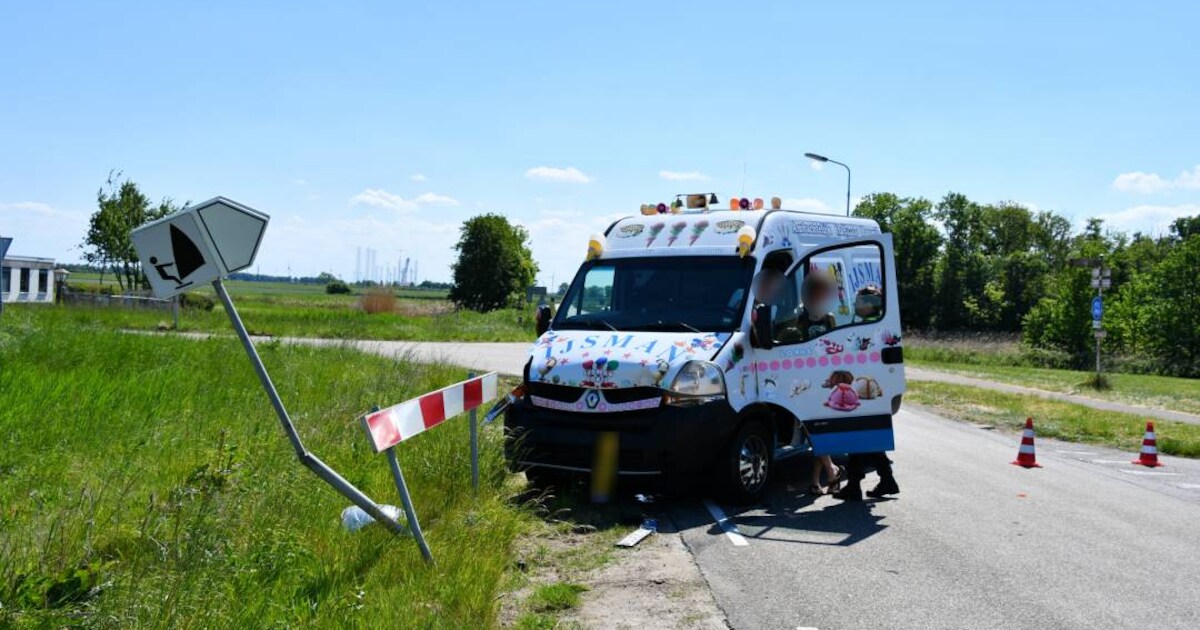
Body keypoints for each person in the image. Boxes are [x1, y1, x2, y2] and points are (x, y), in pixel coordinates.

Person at [834, 284, 899, 501]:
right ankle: (885, 479)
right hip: (870, 388)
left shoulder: (869, 328)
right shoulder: (877, 324)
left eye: (862, 301)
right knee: (866, 437)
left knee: (857, 437)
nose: (858, 305)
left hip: (866, 388)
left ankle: (854, 485)